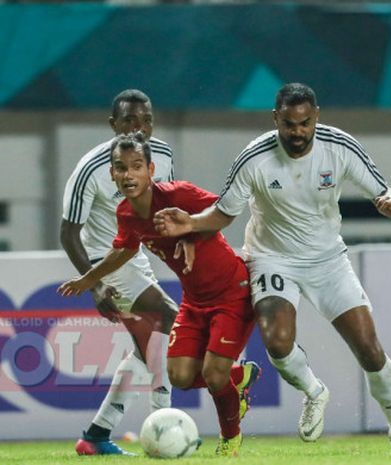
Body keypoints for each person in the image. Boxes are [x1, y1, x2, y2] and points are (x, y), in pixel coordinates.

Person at [153, 82, 391, 454]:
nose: (297, 133)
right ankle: (314, 391)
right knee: (277, 341)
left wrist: (387, 202)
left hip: (328, 260)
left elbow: (382, 190)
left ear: (316, 117)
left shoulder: (339, 147)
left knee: (368, 348)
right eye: (289, 124)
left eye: (304, 123)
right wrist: (190, 224)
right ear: (276, 119)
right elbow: (224, 212)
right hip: (271, 257)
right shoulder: (254, 158)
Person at [59, 134, 260, 457]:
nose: (128, 175)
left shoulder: (178, 194)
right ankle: (240, 376)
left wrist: (192, 232)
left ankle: (229, 442)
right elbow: (123, 250)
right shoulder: (126, 213)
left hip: (231, 292)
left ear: (151, 169)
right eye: (120, 168)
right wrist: (89, 279)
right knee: (179, 375)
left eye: (136, 167)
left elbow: (226, 210)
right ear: (111, 174)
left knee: (212, 372)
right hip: (194, 301)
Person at [60, 89, 179, 456]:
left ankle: (96, 434)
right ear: (114, 125)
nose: (140, 129)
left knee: (147, 349)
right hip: (102, 260)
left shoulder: (162, 155)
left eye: (146, 121)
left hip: (134, 255)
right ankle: (164, 426)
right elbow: (68, 234)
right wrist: (94, 285)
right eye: (130, 121)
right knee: (167, 316)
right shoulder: (90, 169)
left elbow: (161, 207)